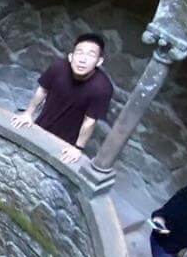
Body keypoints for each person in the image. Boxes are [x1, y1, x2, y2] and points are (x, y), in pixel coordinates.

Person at [12, 33, 113, 165]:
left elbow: (90, 121)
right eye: (80, 53)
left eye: (90, 55)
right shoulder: (58, 67)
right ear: (71, 57)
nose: (83, 59)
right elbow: (42, 90)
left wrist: (78, 148)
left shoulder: (102, 88)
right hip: (42, 124)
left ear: (99, 61)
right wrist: (28, 113)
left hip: (67, 141)